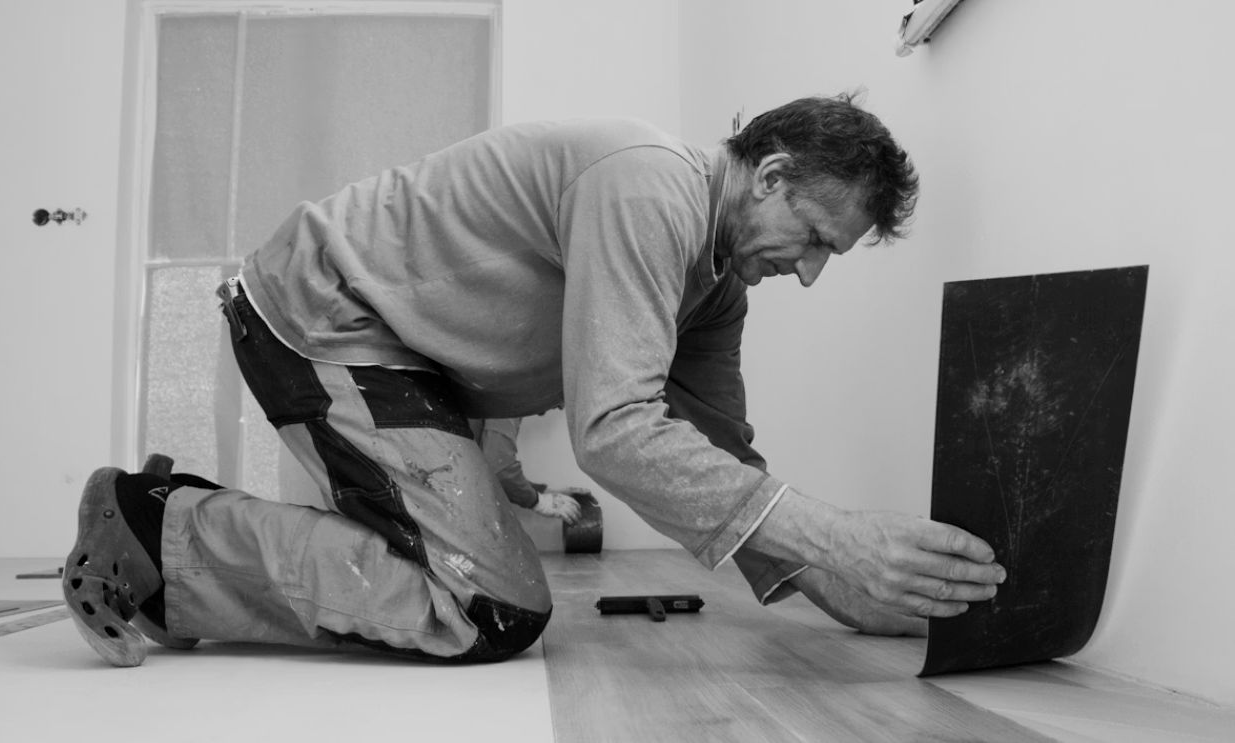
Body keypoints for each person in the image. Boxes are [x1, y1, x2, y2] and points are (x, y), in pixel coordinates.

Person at [63, 93, 1006, 667]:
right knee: (487, 607)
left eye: (828, 258)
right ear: (768, 173)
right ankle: (153, 526)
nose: (808, 271)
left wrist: (831, 582)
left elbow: (714, 455)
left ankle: (187, 535)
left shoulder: (713, 287)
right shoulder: (649, 185)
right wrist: (838, 537)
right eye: (812, 238)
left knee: (462, 571)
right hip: (325, 315)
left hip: (412, 359)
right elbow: (618, 431)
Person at [471, 417, 585, 525]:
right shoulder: (509, 400)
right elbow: (499, 469)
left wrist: (543, 492)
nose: (559, 407)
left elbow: (492, 465)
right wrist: (539, 502)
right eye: (560, 400)